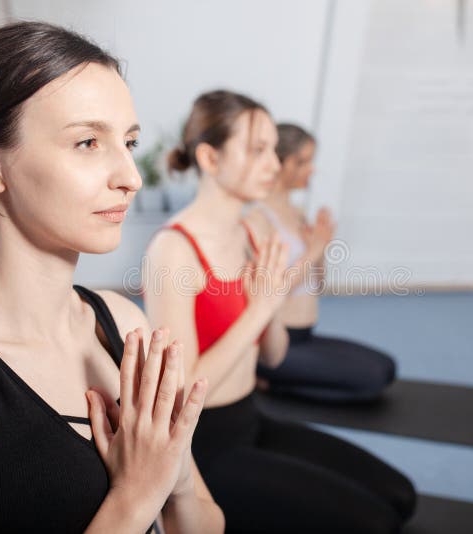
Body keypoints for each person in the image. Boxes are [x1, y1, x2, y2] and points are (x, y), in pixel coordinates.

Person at [0, 21, 224, 534]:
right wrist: (133, 499)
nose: (131, 176)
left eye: (128, 142)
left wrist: (178, 485)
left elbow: (205, 525)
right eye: (87, 142)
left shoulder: (122, 323)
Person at [143, 90, 417, 533]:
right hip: (204, 448)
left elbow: (273, 355)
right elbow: (182, 393)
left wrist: (265, 307)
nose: (273, 163)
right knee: (376, 523)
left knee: (401, 496)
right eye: (257, 149)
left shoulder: (249, 233)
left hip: (251, 419)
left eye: (273, 148)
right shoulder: (173, 251)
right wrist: (262, 306)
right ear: (210, 158)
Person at [244, 123, 397, 402]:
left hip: (306, 335)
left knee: (387, 367)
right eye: (302, 162)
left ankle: (277, 377)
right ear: (279, 163)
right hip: (278, 342)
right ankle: (267, 381)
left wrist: (321, 248)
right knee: (372, 379)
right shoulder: (257, 219)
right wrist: (313, 249)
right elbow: (270, 293)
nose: (311, 169)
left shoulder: (297, 212)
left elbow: (317, 284)